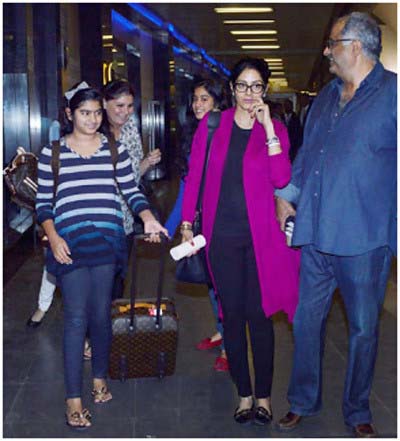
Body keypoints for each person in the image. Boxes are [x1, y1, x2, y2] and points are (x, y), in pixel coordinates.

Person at [275, 12, 396, 438]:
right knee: (306, 322)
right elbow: (307, 156)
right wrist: (286, 197)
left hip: (364, 239)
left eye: (333, 43)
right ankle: (302, 401)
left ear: (356, 47)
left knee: (363, 329)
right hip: (315, 234)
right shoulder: (325, 97)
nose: (326, 51)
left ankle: (357, 410)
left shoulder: (393, 95)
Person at [35, 84, 168, 429]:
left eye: (96, 113)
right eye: (85, 113)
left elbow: (131, 190)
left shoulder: (114, 150)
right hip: (70, 245)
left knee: (100, 316)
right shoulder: (52, 153)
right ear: (70, 114)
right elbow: (44, 204)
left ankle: (98, 379)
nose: (92, 119)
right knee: (76, 318)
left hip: (107, 244)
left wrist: (147, 216)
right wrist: (53, 237)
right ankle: (73, 399)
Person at [180, 58, 300, 425]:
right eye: (243, 85)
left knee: (259, 316)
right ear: (232, 89)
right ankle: (244, 395)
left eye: (257, 85)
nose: (249, 93)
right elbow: (195, 176)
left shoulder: (276, 129)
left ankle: (263, 397)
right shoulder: (213, 125)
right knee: (231, 317)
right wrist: (186, 223)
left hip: (262, 239)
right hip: (221, 238)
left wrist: (269, 128)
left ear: (265, 89)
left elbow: (281, 179)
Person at [165, 78, 230, 372]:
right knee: (211, 283)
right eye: (195, 99)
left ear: (218, 101)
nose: (197, 104)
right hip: (202, 223)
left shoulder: (229, 132)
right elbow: (186, 185)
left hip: (225, 222)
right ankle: (222, 330)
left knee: (224, 284)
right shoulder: (194, 134)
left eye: (205, 98)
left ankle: (231, 346)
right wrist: (170, 226)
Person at [102, 79, 162, 299]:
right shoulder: (94, 133)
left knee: (118, 279)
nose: (125, 112)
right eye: (119, 105)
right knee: (97, 280)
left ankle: (110, 317)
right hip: (97, 219)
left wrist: (147, 162)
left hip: (125, 219)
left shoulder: (130, 130)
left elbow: (133, 176)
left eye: (129, 106)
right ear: (104, 103)